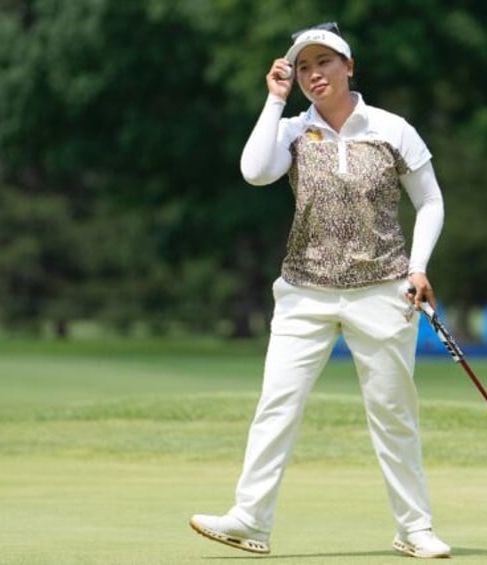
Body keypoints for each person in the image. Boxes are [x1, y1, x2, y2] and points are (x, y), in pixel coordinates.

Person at [190, 22, 451, 559]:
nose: (314, 74)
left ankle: (415, 527)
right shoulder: (291, 131)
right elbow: (255, 172)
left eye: (324, 63)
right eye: (303, 66)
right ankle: (250, 518)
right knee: (277, 404)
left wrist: (419, 267)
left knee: (393, 411)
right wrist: (273, 101)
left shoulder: (390, 128)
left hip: (383, 289)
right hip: (305, 292)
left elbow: (430, 202)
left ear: (348, 66)